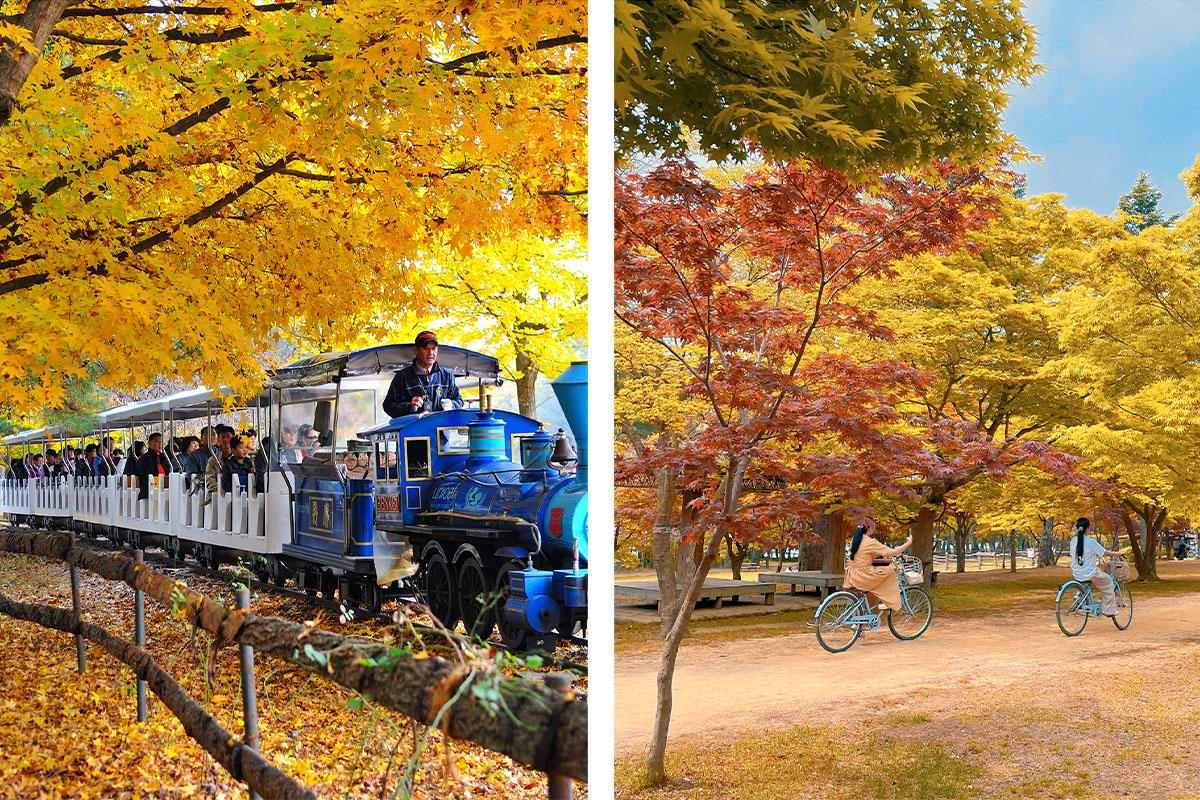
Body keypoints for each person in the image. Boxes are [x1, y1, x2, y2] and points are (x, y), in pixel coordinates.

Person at [382, 331, 463, 417]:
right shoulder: (402, 377)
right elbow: (388, 406)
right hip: (414, 429)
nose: (431, 353)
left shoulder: (447, 376)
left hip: (441, 428)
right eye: (426, 348)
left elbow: (459, 401)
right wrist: (410, 407)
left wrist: (452, 404)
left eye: (434, 348)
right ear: (416, 350)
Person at [843, 519, 914, 612]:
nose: (874, 529)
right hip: (863, 576)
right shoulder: (870, 542)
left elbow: (864, 557)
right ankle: (887, 601)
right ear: (870, 528)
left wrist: (886, 561)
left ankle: (857, 620)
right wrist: (908, 543)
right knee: (891, 571)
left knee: (887, 563)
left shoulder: (855, 539)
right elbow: (893, 552)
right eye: (874, 527)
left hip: (852, 574)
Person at [1070, 517, 1122, 618]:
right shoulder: (1091, 542)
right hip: (1090, 573)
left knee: (1095, 580)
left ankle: (1081, 598)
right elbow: (1105, 553)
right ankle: (1108, 610)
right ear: (1088, 529)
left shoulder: (1073, 541)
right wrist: (1119, 553)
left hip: (1077, 573)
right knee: (1108, 581)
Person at [135, 433, 173, 501]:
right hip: (149, 492)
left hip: (166, 490)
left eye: (161, 442)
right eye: (157, 441)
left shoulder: (165, 458)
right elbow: (145, 478)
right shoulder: (143, 460)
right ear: (149, 443)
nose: (160, 444)